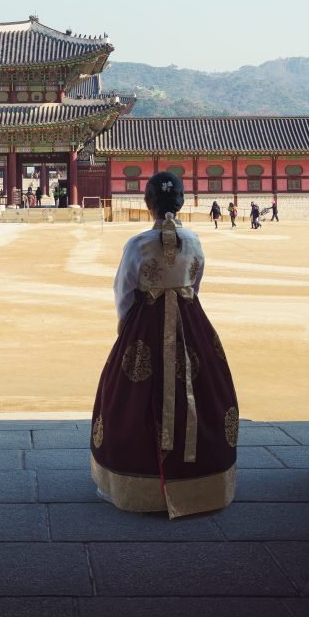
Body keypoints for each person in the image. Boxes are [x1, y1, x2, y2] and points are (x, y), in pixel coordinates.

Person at [90, 171, 238, 516]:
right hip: (190, 322)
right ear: (182, 201)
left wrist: (128, 326)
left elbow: (123, 291)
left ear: (147, 204)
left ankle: (136, 484)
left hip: (146, 322)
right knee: (204, 392)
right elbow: (196, 282)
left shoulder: (137, 244)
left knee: (130, 399)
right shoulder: (195, 241)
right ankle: (201, 483)